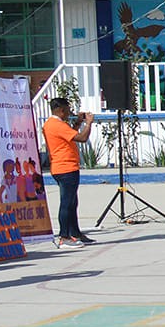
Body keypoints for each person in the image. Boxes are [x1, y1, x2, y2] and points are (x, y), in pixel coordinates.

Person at [42, 96, 95, 246]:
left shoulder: (52, 124)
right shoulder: (57, 125)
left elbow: (69, 135)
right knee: (66, 202)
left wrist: (78, 122)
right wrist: (88, 124)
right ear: (61, 110)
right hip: (65, 167)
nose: (69, 112)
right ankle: (64, 236)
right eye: (67, 110)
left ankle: (75, 233)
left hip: (62, 166)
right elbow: (82, 138)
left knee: (72, 202)